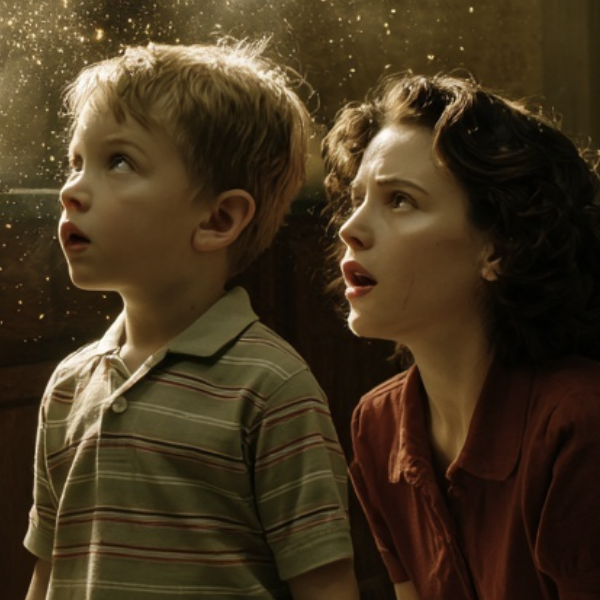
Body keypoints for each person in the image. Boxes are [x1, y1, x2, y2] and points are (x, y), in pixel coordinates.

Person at [24, 41, 360, 600]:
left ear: (218, 219)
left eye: (119, 162)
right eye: (76, 162)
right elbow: (48, 570)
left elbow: (325, 585)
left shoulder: (271, 389)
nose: (71, 190)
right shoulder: (68, 387)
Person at [322, 72, 600, 599]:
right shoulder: (379, 425)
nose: (350, 228)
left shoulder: (589, 431)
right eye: (357, 199)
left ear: (499, 248)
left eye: (400, 200)